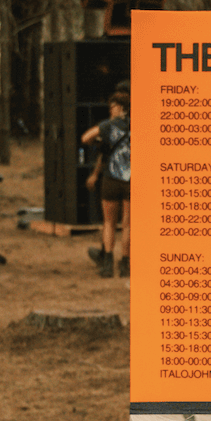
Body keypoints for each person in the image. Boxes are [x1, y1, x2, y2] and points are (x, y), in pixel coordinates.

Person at [81, 85, 131, 279]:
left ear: (120, 107)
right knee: (128, 225)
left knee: (109, 223)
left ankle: (108, 264)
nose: (110, 109)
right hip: (131, 181)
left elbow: (86, 138)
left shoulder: (109, 125)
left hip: (111, 179)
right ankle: (125, 265)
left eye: (112, 106)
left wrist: (98, 140)